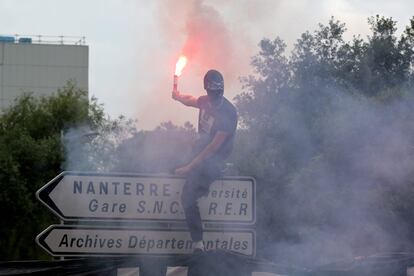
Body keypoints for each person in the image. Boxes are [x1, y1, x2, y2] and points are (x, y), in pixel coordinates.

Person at [172, 69, 238, 253]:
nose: (214, 99)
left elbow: (212, 150)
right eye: (211, 94)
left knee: (187, 196)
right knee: (168, 162)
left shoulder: (228, 113)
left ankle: (198, 244)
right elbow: (191, 100)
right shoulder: (205, 101)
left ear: (222, 91)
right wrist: (177, 97)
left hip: (213, 161)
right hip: (198, 152)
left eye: (217, 94)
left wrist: (188, 167)